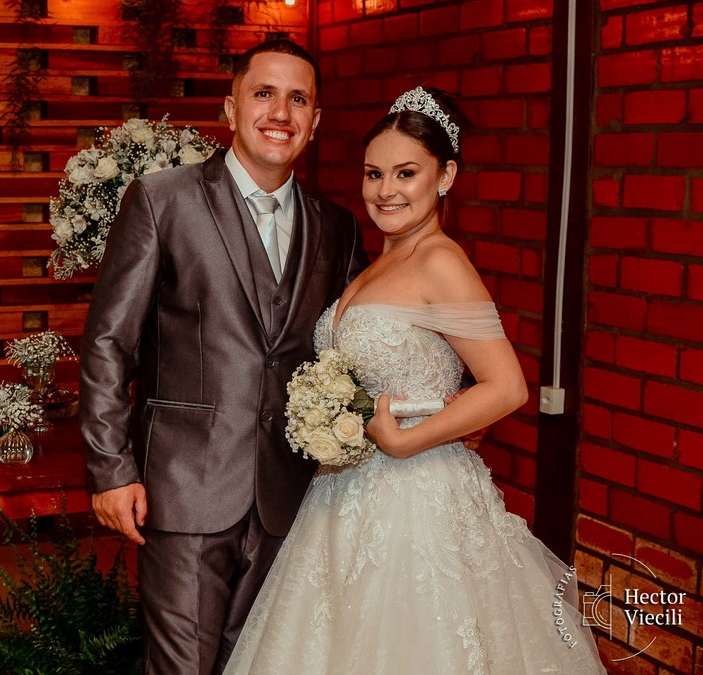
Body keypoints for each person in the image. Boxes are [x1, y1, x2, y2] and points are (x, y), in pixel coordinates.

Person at [221, 86, 608, 674]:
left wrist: (406, 440)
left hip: (417, 499)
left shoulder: (440, 261)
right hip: (343, 496)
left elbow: (506, 386)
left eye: (407, 173)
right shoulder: (379, 262)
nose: (386, 191)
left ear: (445, 177)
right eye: (374, 174)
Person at [78, 38, 369, 675]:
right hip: (183, 488)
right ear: (232, 108)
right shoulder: (162, 200)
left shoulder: (337, 228)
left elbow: (355, 350)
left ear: (316, 121)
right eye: (264, 93)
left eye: (298, 99)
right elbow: (108, 343)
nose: (280, 113)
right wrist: (111, 469)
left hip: (290, 494)